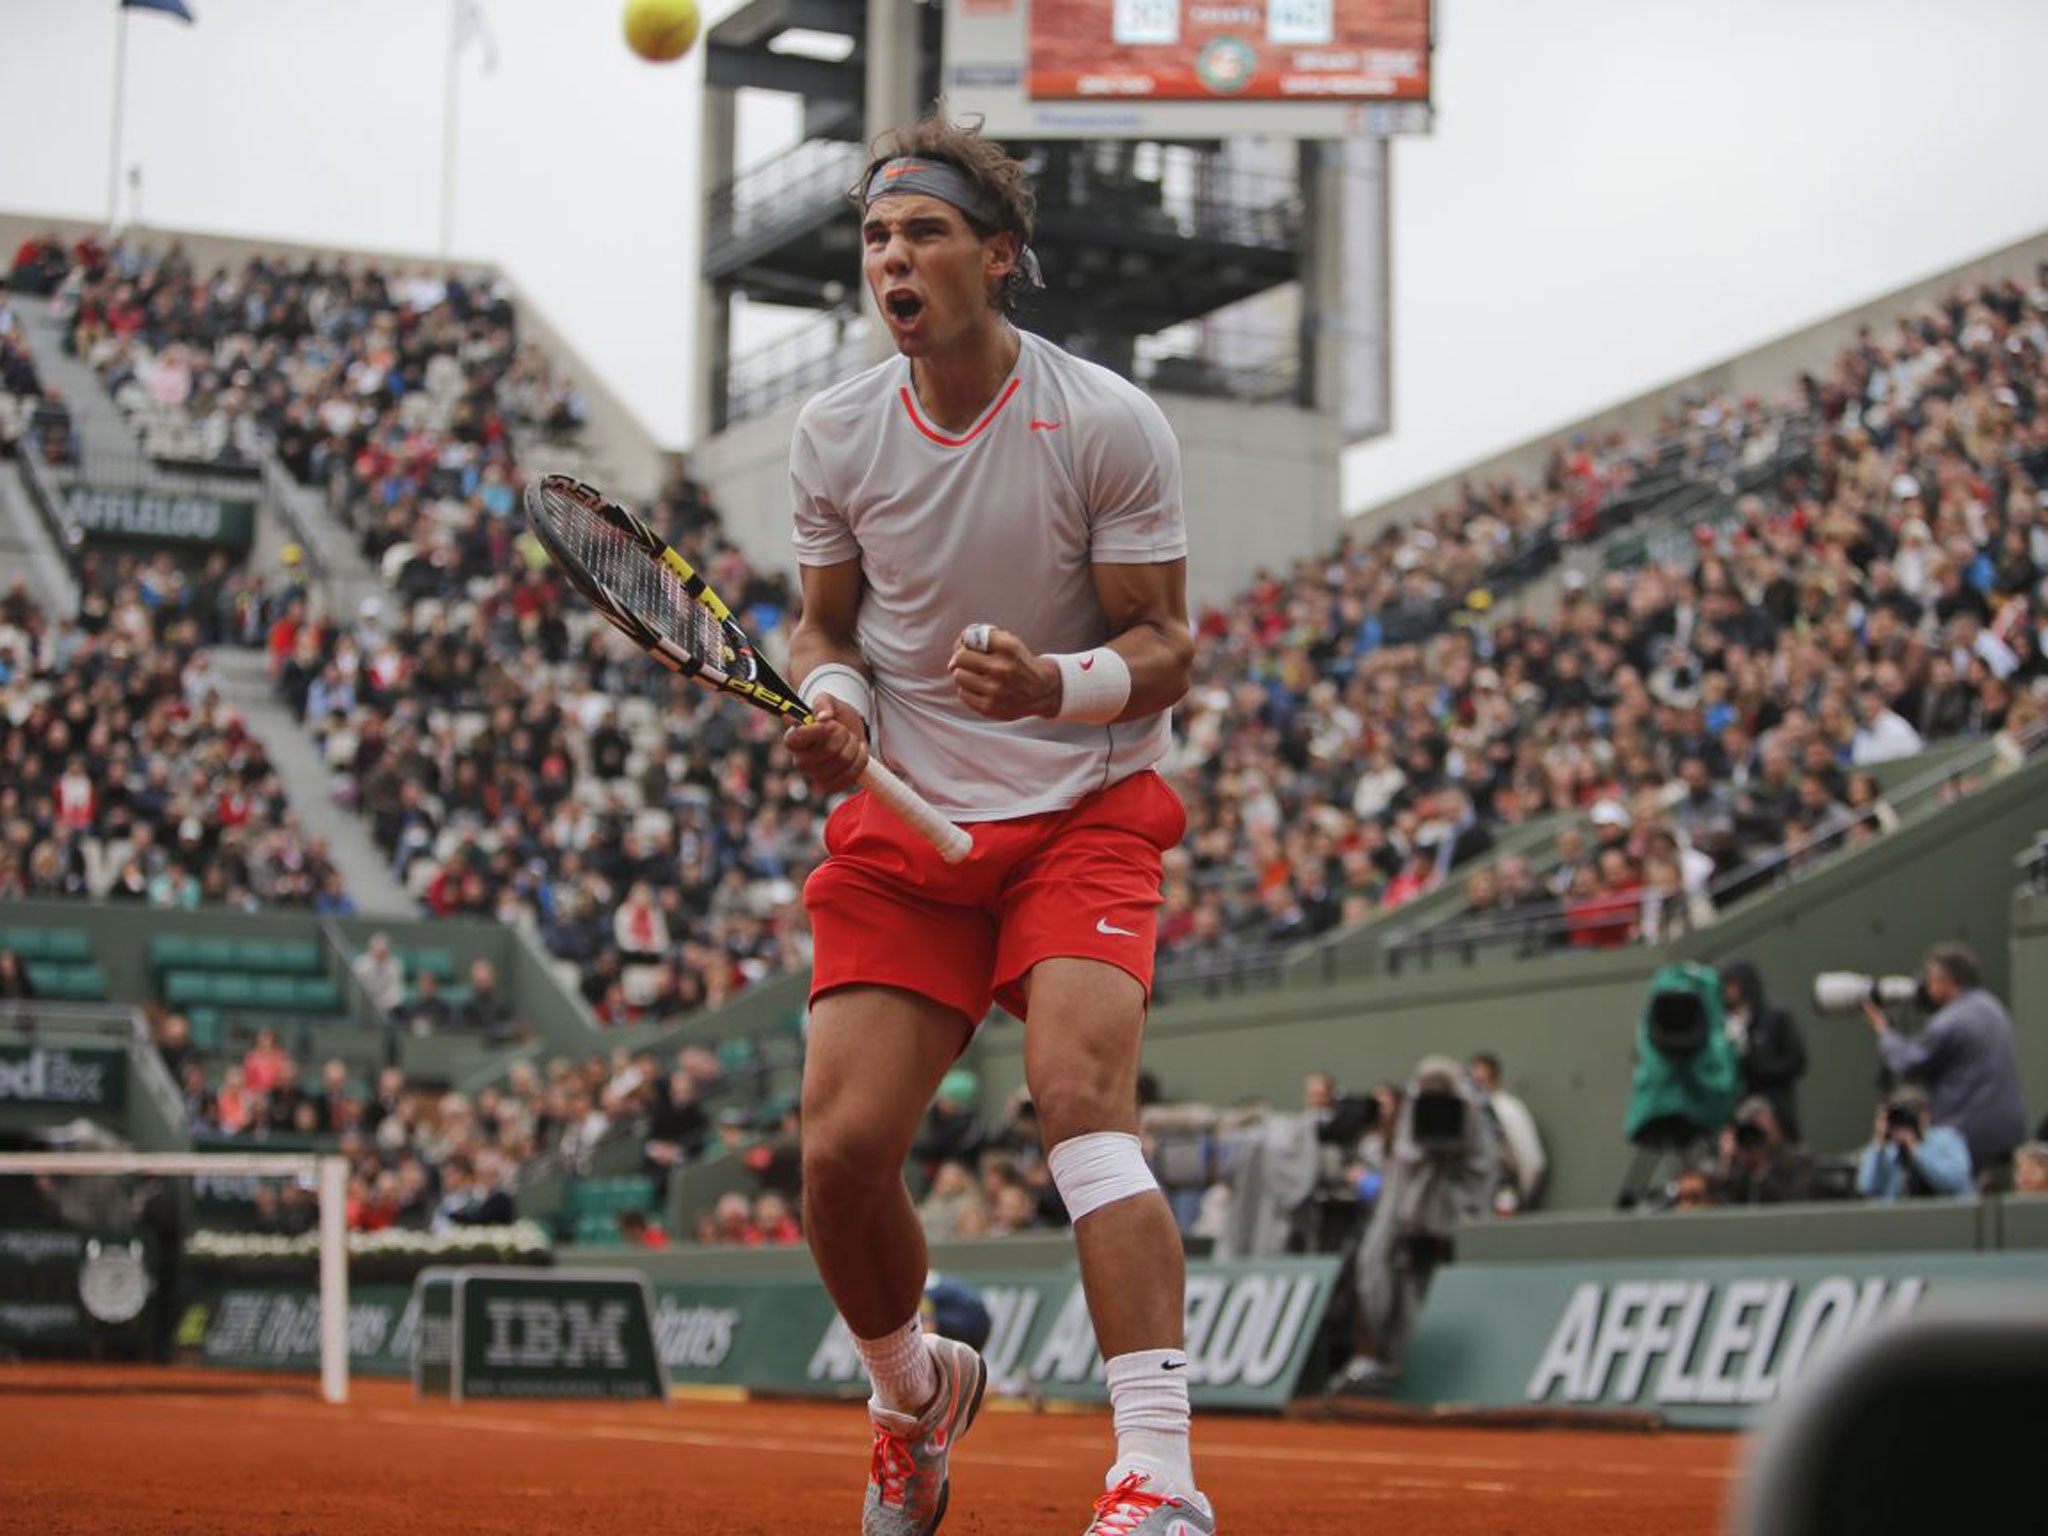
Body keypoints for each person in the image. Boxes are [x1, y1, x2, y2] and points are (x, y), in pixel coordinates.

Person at [780, 111, 1209, 1536]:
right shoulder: (834, 432)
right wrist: (832, 702)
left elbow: (1165, 646)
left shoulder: (1104, 421)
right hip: (909, 830)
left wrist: (1051, 684)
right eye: (877, 238)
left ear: (999, 256)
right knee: (839, 1157)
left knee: (1083, 1109)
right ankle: (912, 1400)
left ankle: (1158, 1479)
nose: (892, 259)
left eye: (925, 234)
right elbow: (823, 628)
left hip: (1082, 808)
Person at [1864, 943, 2028, 1180]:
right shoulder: (1992, 1007)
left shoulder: (1951, 1021)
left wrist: (1885, 1032)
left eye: (1930, 978)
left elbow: (1908, 1064)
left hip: (1965, 1137)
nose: (1926, 986)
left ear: (1947, 980)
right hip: (2007, 1136)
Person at [1718, 960, 1808, 1142]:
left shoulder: (1775, 1019)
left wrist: (1764, 1067)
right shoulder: (1719, 1025)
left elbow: (1797, 1060)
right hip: (1735, 1115)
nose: (1728, 990)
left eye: (1732, 984)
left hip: (1774, 1110)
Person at [1857, 1087, 1972, 1201]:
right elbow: (1867, 1187)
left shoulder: (1947, 1140)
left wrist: (1915, 1149)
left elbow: (1955, 1182)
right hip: (1900, 1215)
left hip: (1945, 1213)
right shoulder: (1888, 1148)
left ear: (1926, 1115)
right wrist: (1879, 1141)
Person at [1467, 1052, 1547, 1214]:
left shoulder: (1508, 1109)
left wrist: (1519, 1201)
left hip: (1503, 1199)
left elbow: (1533, 1162)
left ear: (1495, 1079)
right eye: (1473, 1082)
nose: (1478, 1088)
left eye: (1482, 1081)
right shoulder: (1469, 1114)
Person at [1710, 1096, 1814, 1204]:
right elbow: (1719, 1205)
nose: (1753, 1136)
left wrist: (1763, 1167)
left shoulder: (1798, 1161)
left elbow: (1795, 1204)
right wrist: (1726, 1160)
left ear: (1775, 1127)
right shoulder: (1736, 1166)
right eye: (1748, 1130)